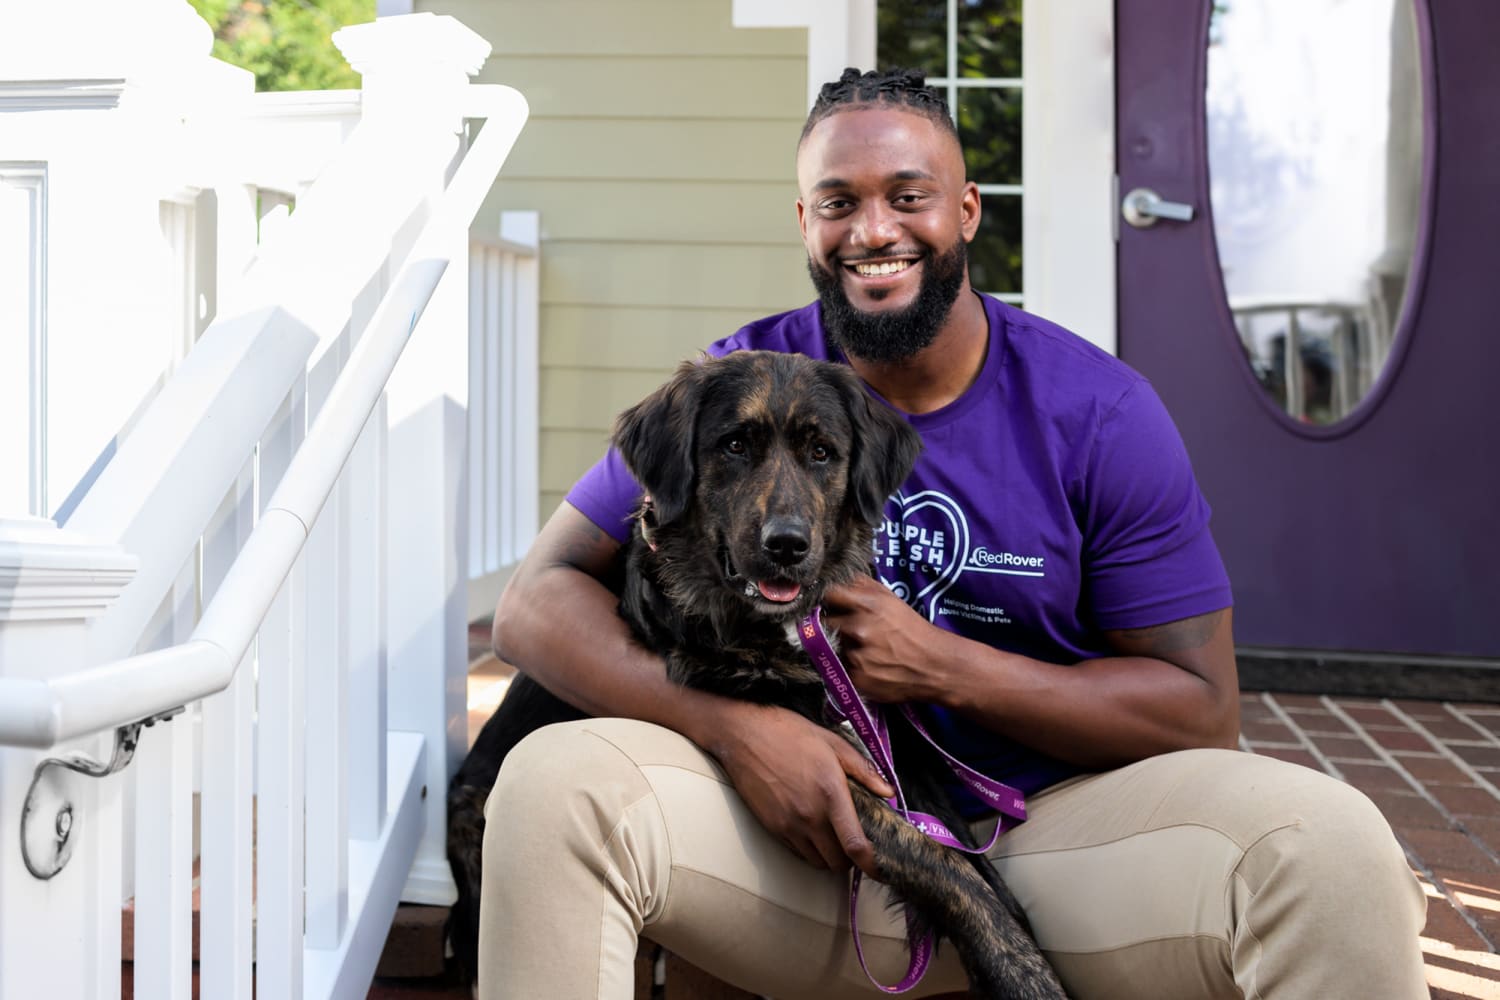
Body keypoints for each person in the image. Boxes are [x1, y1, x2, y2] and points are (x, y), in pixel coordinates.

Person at [477, 68, 1427, 999]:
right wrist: (733, 731)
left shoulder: (1098, 413)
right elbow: (532, 607)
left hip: (1059, 838)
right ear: (805, 224)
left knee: (1333, 849)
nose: (875, 230)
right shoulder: (738, 382)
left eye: (909, 196)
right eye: (838, 201)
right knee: (551, 781)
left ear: (966, 210)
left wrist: (939, 664)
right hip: (788, 844)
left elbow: (1199, 712)